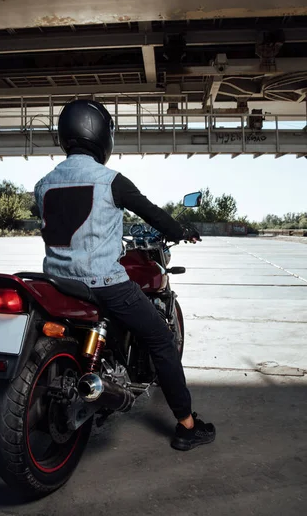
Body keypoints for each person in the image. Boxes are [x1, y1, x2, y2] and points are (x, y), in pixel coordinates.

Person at [34, 99, 216, 451]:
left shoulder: (45, 185)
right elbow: (152, 213)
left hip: (56, 282)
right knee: (161, 340)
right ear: (102, 135)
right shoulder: (111, 181)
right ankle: (187, 426)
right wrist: (179, 231)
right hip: (103, 283)